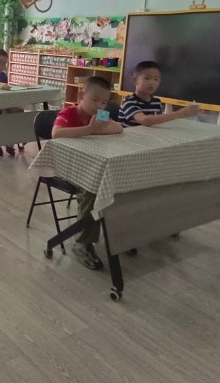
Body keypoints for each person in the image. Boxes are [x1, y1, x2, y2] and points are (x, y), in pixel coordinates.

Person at [52, 76, 124, 270]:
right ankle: (82, 243)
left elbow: (118, 128)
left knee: (117, 184)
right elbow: (56, 133)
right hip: (67, 168)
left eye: (104, 102)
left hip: (92, 166)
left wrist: (96, 130)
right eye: (95, 99)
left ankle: (120, 235)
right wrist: (89, 129)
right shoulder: (69, 112)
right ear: (80, 96)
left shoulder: (100, 115)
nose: (99, 105)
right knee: (93, 191)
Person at [119, 60, 199, 126]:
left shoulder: (156, 102)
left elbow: (157, 122)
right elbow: (145, 120)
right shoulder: (129, 102)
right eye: (147, 78)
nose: (152, 83)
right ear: (134, 80)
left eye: (156, 79)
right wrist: (179, 114)